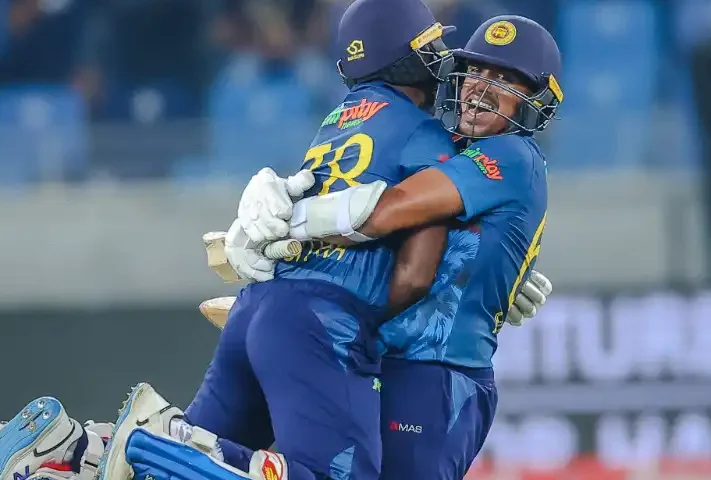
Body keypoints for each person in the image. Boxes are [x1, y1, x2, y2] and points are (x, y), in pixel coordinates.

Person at [0, 1, 478, 479]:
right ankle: (163, 434)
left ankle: (76, 447)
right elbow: (416, 275)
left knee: (173, 469)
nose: (439, 59)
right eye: (428, 46)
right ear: (400, 56)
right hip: (325, 324)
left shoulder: (335, 121)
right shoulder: (424, 133)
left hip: (256, 307)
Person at [232, 14, 563, 479]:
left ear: (536, 101)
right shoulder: (449, 147)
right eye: (477, 71)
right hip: (388, 363)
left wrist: (278, 220)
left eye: (505, 79)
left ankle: (182, 449)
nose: (481, 87)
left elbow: (387, 211)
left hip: (438, 375)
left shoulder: (511, 154)